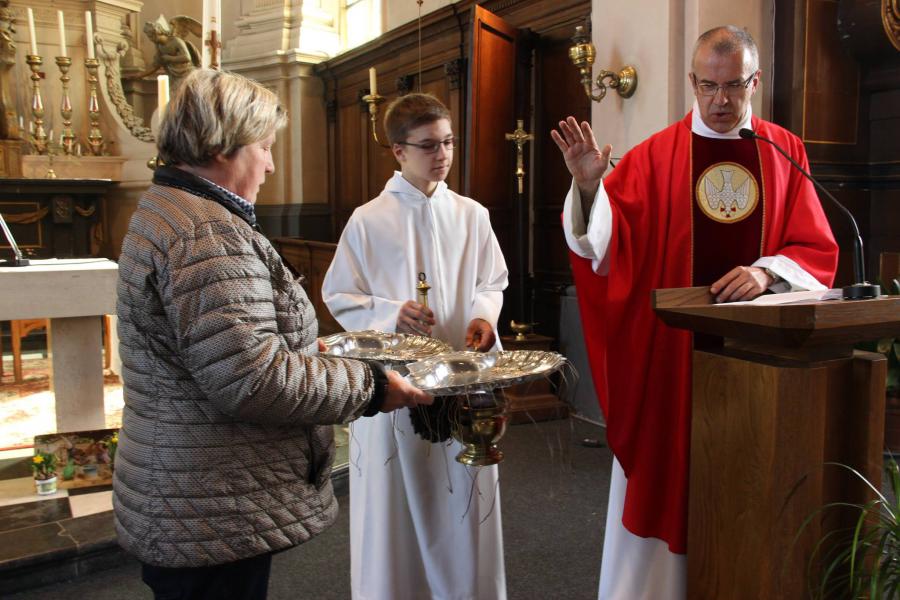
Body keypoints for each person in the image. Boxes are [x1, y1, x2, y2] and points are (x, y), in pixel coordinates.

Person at [113, 69, 432, 600]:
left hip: (192, 487)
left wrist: (309, 351)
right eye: (263, 146)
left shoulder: (172, 208)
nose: (271, 163)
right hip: (211, 499)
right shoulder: (207, 232)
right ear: (224, 146)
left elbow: (221, 349)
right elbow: (252, 379)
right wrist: (373, 388)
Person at [551, 26, 839, 600]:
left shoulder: (785, 150)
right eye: (708, 85)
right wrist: (589, 189)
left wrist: (766, 272)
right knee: (673, 475)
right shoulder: (656, 156)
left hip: (762, 363)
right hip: (673, 362)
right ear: (692, 81)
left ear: (755, 82)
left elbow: (816, 246)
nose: (721, 100)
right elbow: (603, 246)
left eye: (735, 86)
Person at [321, 92, 509, 600]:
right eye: (429, 146)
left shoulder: (472, 214)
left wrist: (483, 317)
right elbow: (339, 293)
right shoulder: (368, 219)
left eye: (448, 142)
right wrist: (390, 312)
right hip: (394, 387)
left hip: (460, 382)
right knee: (395, 508)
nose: (443, 154)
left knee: (463, 499)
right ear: (398, 151)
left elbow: (492, 281)